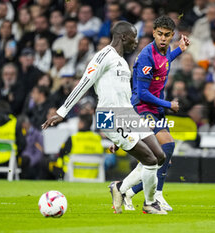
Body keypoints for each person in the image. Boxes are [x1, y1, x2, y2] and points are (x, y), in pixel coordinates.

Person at [42, 21, 168, 215]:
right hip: (109, 115)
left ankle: (120, 188)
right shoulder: (103, 56)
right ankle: (149, 203)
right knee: (149, 160)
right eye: (134, 37)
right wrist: (62, 112)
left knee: (159, 156)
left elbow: (124, 97)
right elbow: (84, 82)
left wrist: (122, 137)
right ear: (123, 36)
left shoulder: (123, 62)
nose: (136, 42)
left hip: (127, 114)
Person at [122, 16, 190, 212]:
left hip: (156, 108)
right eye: (159, 34)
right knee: (166, 147)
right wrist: (168, 104)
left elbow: (165, 61)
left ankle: (128, 191)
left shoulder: (166, 50)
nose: (163, 38)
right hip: (142, 108)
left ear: (172, 36)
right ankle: (155, 195)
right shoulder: (145, 56)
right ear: (153, 33)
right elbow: (142, 93)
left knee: (160, 156)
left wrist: (179, 50)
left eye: (167, 35)